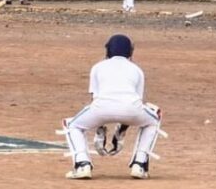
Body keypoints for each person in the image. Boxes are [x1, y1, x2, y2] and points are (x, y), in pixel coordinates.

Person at [61, 35, 162, 180]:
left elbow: (94, 99)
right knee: (153, 120)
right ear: (130, 52)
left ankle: (82, 164)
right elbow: (134, 103)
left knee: (71, 125)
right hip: (132, 109)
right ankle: (139, 164)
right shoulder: (137, 70)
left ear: (107, 50)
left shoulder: (97, 67)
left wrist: (100, 131)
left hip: (100, 108)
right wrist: (121, 131)